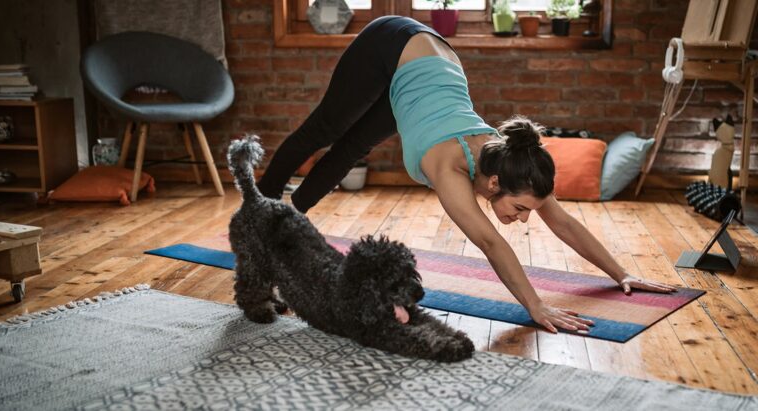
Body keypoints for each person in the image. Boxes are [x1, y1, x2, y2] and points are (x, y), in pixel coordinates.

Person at [257, 15, 676, 333]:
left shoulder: (515, 167)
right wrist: (535, 306)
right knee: (325, 131)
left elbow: (562, 221)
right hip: (392, 43)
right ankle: (260, 206)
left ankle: (290, 214)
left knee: (353, 148)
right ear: (494, 184)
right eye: (521, 209)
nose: (523, 219)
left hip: (430, 64)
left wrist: (621, 273)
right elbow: (491, 243)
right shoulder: (450, 168)